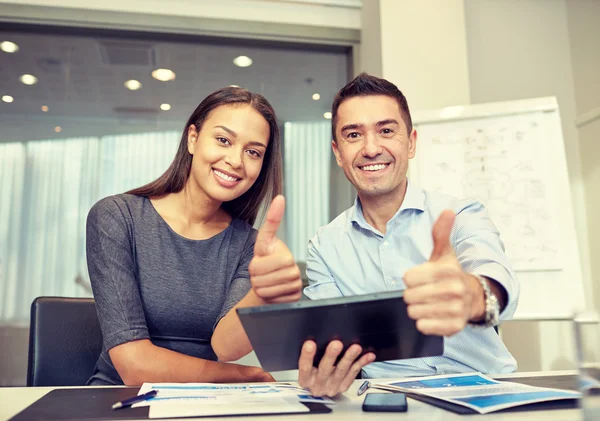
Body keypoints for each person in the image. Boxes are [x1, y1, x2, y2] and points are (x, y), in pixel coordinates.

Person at [297, 73, 519, 397]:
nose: (371, 148)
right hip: (387, 399)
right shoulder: (324, 246)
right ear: (337, 152)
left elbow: (497, 277)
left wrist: (471, 295)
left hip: (485, 391)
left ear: (411, 142)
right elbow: (335, 344)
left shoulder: (459, 215)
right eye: (353, 135)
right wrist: (325, 370)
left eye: (386, 131)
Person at [86, 87, 302, 386]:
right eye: (223, 140)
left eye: (253, 152)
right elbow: (133, 366)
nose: (236, 161)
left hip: (203, 402)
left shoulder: (249, 245)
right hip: (119, 400)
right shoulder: (117, 216)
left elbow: (226, 347)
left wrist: (262, 296)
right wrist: (246, 375)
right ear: (192, 138)